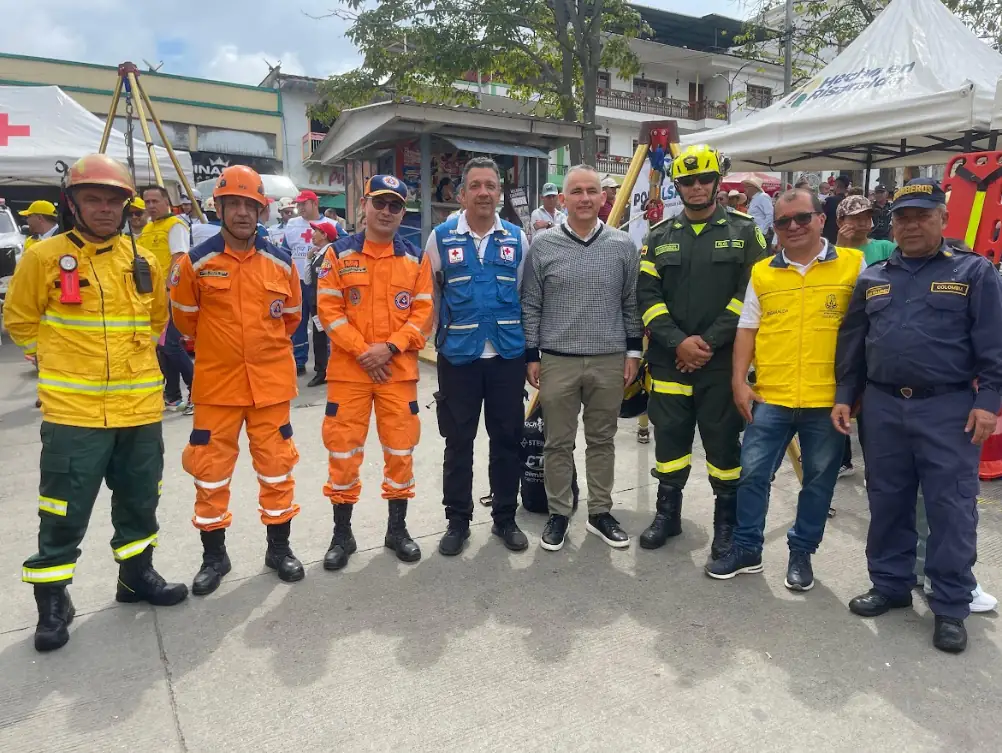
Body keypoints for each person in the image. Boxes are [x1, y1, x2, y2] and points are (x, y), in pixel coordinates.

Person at [4, 154, 188, 652]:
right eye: (94, 199)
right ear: (73, 203)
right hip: (74, 414)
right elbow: (19, 318)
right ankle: (53, 600)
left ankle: (136, 576)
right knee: (62, 509)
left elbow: (156, 320)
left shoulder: (143, 260)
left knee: (140, 500)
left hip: (139, 409)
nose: (105, 208)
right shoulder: (44, 257)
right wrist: (54, 358)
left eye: (113, 200)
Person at [834, 178, 1002, 654]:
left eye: (922, 216)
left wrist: (989, 401)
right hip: (883, 406)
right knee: (888, 498)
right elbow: (854, 343)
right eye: (903, 217)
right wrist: (846, 394)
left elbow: (994, 343)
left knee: (950, 507)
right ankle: (890, 585)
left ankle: (950, 605)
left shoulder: (973, 272)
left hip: (948, 408)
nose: (911, 225)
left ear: (942, 219)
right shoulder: (874, 277)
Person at [705, 188, 865, 590]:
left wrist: (853, 391)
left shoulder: (853, 265)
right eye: (783, 221)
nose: (793, 226)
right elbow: (747, 329)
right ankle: (747, 549)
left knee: (818, 482)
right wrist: (739, 382)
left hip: (826, 400)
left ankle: (801, 553)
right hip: (770, 396)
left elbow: (866, 331)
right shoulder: (763, 272)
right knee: (752, 475)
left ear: (821, 219)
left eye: (802, 218)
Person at [170, 165, 305, 595]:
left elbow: (291, 319)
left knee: (277, 468)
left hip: (270, 386)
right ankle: (215, 557)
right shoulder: (196, 263)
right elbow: (184, 321)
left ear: (262, 210)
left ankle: (278, 549)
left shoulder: (281, 263)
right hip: (217, 387)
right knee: (210, 471)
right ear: (220, 207)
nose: (243, 213)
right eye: (234, 204)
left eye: (251, 205)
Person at [637, 144, 767, 558]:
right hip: (670, 360)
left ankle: (726, 525)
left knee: (723, 444)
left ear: (717, 182)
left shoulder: (745, 232)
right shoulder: (658, 236)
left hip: (721, 362)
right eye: (687, 181)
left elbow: (750, 295)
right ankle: (667, 515)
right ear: (677, 186)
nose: (696, 187)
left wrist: (706, 343)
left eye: (704, 179)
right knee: (669, 440)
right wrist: (678, 342)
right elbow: (647, 296)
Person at [522, 164, 643, 551]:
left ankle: (600, 513)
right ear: (563, 199)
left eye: (592, 191)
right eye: (576, 191)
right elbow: (531, 304)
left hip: (609, 359)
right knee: (557, 442)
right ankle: (559, 513)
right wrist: (532, 355)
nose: (585, 198)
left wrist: (633, 351)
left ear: (603, 197)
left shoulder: (622, 246)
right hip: (558, 360)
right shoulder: (543, 245)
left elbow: (631, 304)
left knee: (602, 440)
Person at [316, 175, 434, 570]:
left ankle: (397, 530)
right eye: (379, 203)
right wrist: (363, 351)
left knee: (400, 451)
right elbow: (328, 311)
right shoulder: (337, 255)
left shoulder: (416, 259)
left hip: (396, 373)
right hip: (349, 373)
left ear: (403, 213)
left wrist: (390, 348)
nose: (386, 211)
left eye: (395, 205)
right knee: (343, 452)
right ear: (364, 204)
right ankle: (342, 535)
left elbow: (423, 314)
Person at [427, 157, 531, 555]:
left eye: (491, 185)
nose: (484, 192)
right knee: (458, 443)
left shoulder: (517, 239)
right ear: (461, 194)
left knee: (507, 440)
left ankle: (505, 518)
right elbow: (430, 296)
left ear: (500, 193)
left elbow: (524, 296)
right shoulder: (440, 238)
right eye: (476, 186)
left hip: (506, 357)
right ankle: (457, 521)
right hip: (458, 358)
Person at [831, 194, 898, 477]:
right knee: (842, 394)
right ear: (840, 221)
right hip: (843, 332)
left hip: (878, 332)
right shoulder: (830, 252)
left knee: (870, 402)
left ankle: (876, 462)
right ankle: (842, 457)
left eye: (866, 217)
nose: (861, 223)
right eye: (854, 218)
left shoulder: (885, 247)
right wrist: (842, 247)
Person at [140, 185, 193, 412]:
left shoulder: (175, 225)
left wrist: (171, 291)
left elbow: (179, 259)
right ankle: (172, 395)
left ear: (167, 202)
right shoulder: (148, 228)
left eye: (155, 201)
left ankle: (197, 390)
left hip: (169, 295)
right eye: (147, 202)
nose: (151, 206)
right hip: (150, 298)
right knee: (162, 347)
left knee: (171, 345)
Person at [283, 189, 322, 375]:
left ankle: (323, 363)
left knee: (321, 324)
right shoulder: (291, 224)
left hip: (320, 284)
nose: (300, 207)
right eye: (298, 204)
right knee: (298, 323)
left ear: (314, 204)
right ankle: (299, 361)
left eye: (303, 204)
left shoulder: (330, 224)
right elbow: (285, 252)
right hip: (297, 282)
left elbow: (342, 247)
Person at [305, 219, 340, 387]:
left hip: (327, 305)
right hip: (316, 304)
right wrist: (308, 259)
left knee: (331, 337)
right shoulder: (317, 255)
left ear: (325, 235)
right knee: (319, 338)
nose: (312, 235)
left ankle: (326, 370)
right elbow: (308, 280)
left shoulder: (331, 254)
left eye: (316, 231)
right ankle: (323, 370)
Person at [743, 177, 773, 245]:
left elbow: (770, 214)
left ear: (753, 188)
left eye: (747, 187)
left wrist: (762, 231)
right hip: (757, 233)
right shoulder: (755, 199)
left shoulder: (763, 197)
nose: (745, 189)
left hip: (763, 233)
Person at [822, 175, 849, 243]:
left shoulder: (829, 201)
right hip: (846, 236)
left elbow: (822, 218)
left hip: (830, 238)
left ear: (836, 186)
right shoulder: (850, 202)